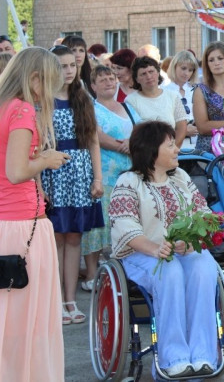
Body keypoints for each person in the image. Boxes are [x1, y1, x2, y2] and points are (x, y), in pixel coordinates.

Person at [109, 121, 220, 379]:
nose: (176, 149)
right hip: (140, 255)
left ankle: (203, 355)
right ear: (151, 150)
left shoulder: (180, 178)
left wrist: (191, 241)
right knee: (169, 271)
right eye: (170, 145)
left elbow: (204, 215)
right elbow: (125, 227)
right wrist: (156, 248)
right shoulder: (129, 182)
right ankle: (174, 358)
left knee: (204, 266)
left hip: (182, 252)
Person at [0, 47, 69, 382]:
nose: (49, 95)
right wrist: (46, 160)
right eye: (49, 84)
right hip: (22, 224)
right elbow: (16, 172)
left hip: (7, 224)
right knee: (31, 321)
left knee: (8, 319)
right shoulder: (22, 110)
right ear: (35, 78)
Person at [42, 45, 104, 324]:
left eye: (71, 65)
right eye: (61, 66)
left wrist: (97, 178)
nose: (67, 71)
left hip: (80, 173)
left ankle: (70, 300)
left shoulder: (83, 97)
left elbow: (93, 141)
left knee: (74, 237)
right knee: (56, 237)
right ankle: (55, 301)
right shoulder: (42, 99)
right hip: (53, 173)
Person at [81, 65, 141, 292]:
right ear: (93, 86)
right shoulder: (91, 108)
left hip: (130, 173)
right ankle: (91, 273)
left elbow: (140, 130)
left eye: (111, 78)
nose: (108, 82)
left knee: (127, 220)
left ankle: (126, 270)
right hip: (104, 174)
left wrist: (133, 143)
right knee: (98, 224)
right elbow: (96, 136)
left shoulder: (127, 106)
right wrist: (123, 146)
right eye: (102, 80)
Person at [125, 56, 188, 147]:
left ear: (158, 73)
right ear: (137, 79)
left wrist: (171, 149)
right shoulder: (131, 101)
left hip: (172, 149)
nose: (148, 76)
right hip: (145, 151)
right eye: (143, 74)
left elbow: (181, 128)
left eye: (151, 71)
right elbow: (132, 132)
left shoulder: (173, 96)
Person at [193, 42, 224, 153]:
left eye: (220, 58)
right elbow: (202, 127)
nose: (216, 63)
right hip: (210, 153)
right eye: (211, 60)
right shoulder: (201, 90)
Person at [164, 50, 200, 150]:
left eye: (190, 70)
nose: (186, 73)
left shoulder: (196, 90)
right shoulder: (164, 91)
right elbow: (163, 120)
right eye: (183, 68)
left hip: (197, 144)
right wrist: (183, 130)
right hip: (173, 144)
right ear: (174, 66)